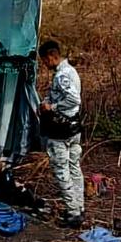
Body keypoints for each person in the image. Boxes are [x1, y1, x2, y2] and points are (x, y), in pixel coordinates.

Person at [37, 40, 84, 228]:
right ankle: (78, 207)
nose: (45, 65)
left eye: (44, 61)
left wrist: (52, 107)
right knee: (74, 168)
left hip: (62, 130)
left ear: (51, 56)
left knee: (62, 170)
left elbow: (73, 98)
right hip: (73, 128)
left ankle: (72, 212)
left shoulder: (62, 75)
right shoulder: (69, 71)